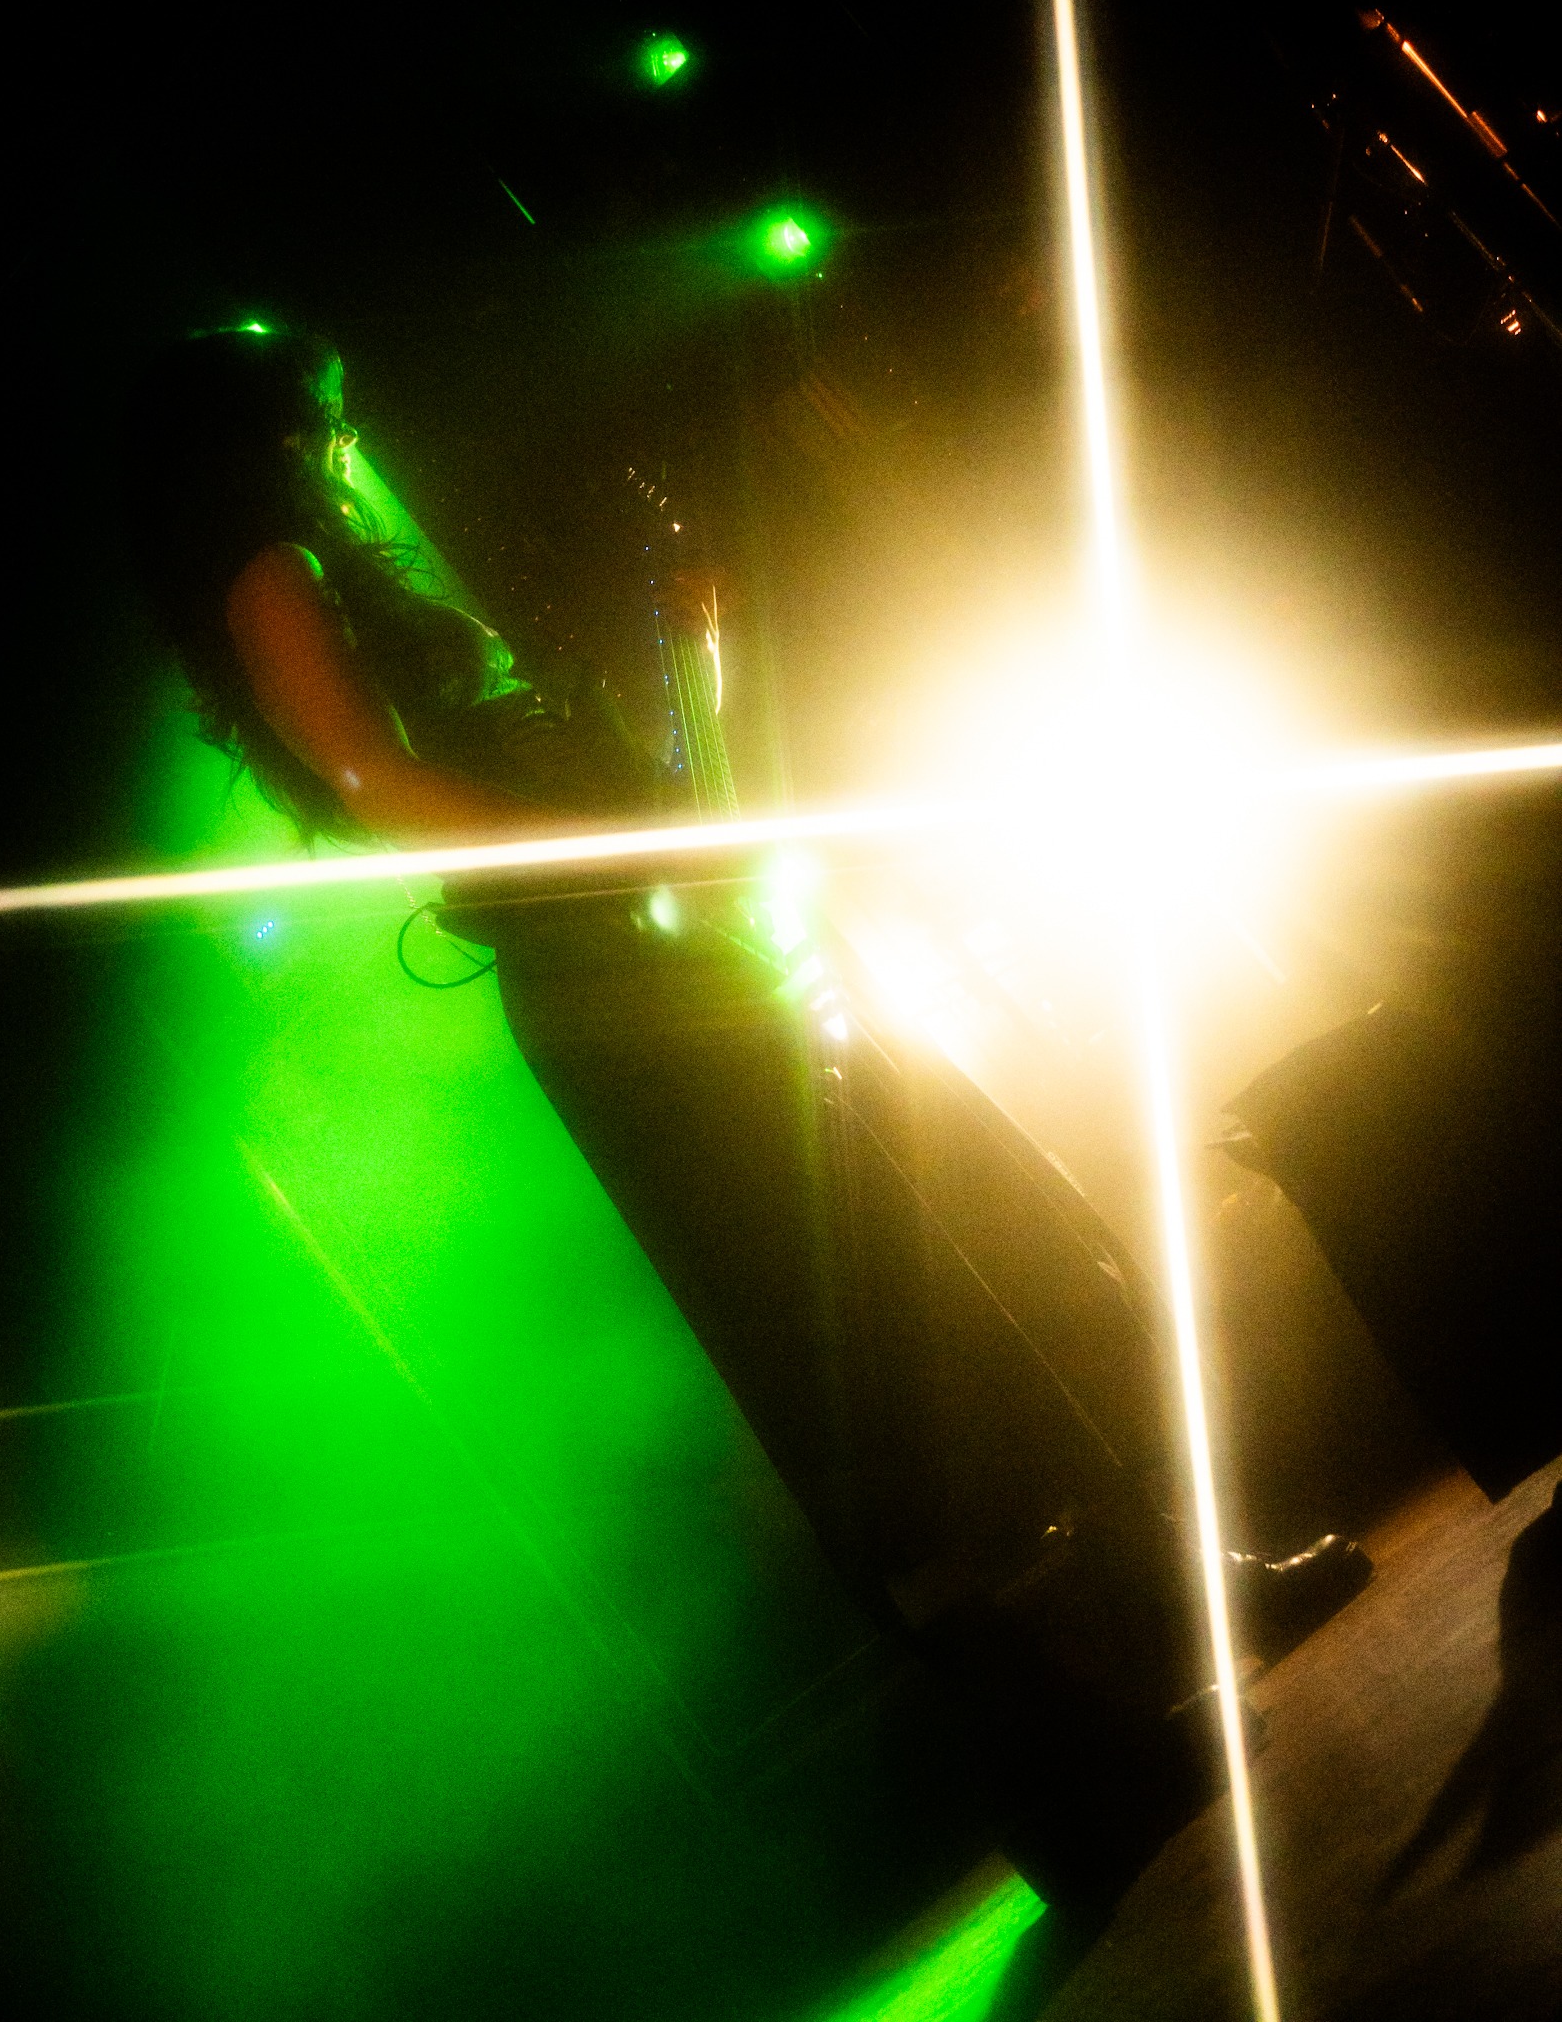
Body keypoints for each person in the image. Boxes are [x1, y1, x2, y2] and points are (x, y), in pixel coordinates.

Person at [121, 326, 1368, 1910]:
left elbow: (664, 799)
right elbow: (379, 785)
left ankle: (1169, 1612)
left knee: (958, 1264)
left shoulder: (337, 577)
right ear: (267, 441)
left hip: (666, 958)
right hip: (614, 989)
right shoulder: (274, 575)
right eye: (322, 423)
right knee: (847, 1339)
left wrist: (687, 665)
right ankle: (1069, 1766)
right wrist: (615, 851)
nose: (347, 451)